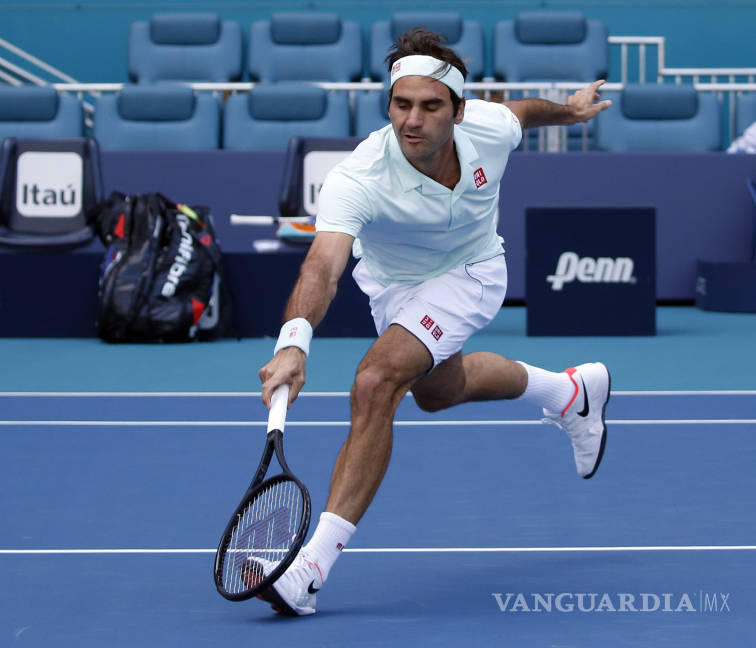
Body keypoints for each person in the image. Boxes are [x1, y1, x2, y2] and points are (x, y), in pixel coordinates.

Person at [247, 28, 615, 617]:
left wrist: (569, 113)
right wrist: (295, 344)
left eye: (429, 106)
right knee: (437, 392)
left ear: (459, 111)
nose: (412, 119)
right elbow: (323, 264)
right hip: (394, 287)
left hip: (472, 272)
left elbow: (524, 112)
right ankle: (569, 393)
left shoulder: (488, 128)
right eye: (401, 104)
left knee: (375, 383)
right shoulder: (357, 177)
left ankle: (310, 568)